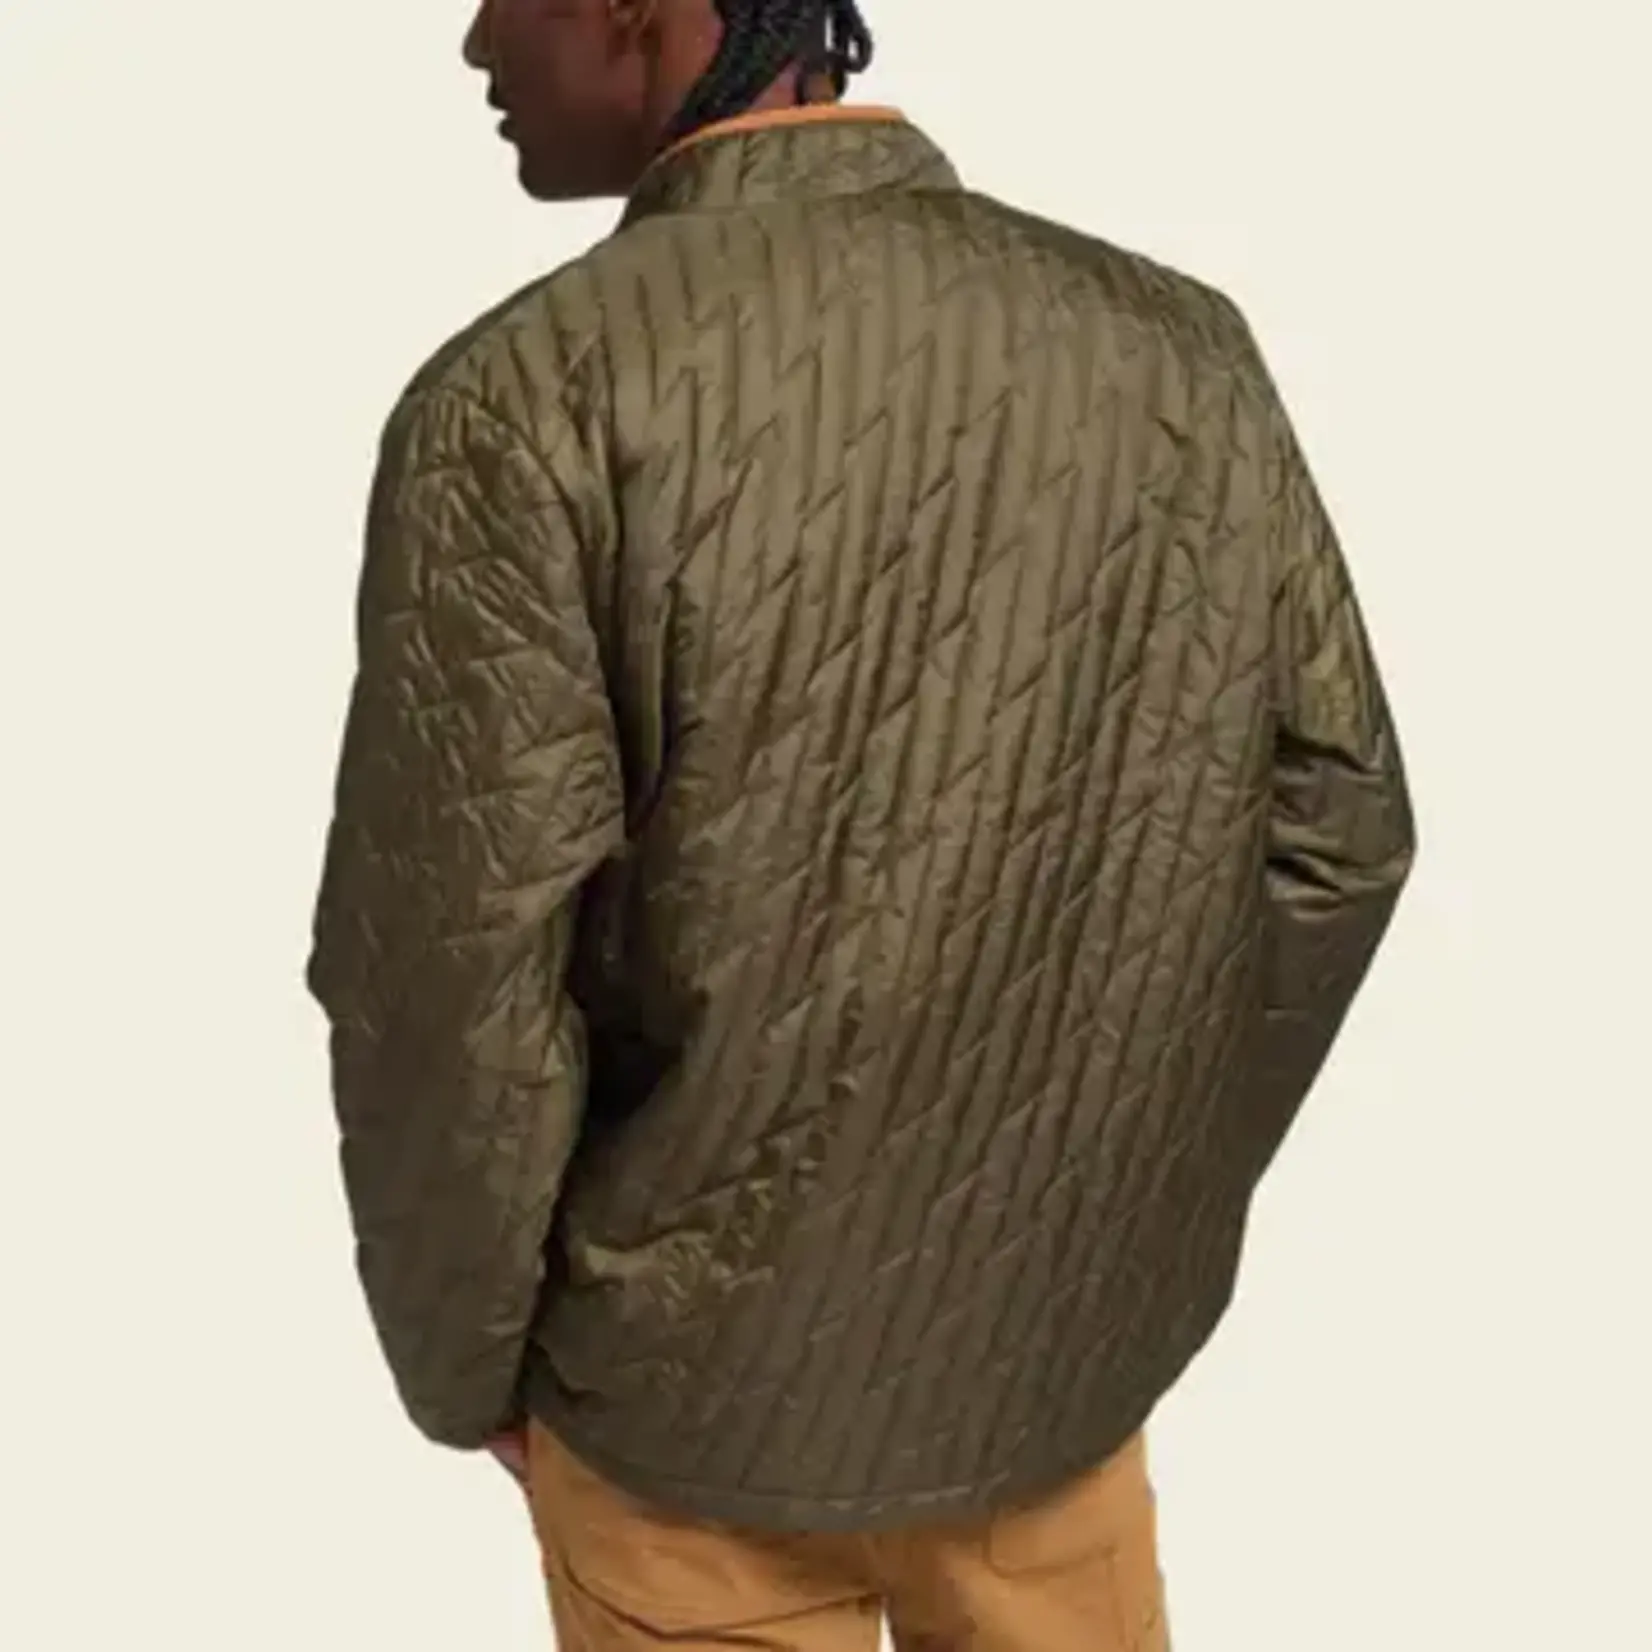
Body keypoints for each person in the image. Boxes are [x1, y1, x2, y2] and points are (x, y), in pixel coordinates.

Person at [306, 0, 1416, 1645]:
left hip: (684, 1422)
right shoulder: (1181, 346)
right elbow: (1337, 833)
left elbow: (448, 979)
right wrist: (1117, 1196)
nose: (475, 39)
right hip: (1051, 1379)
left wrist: (464, 1368)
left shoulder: (526, 400)